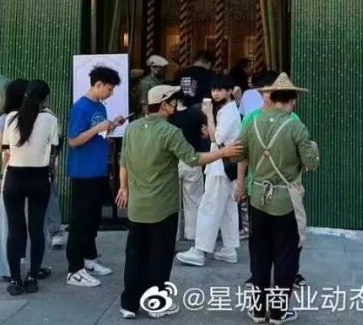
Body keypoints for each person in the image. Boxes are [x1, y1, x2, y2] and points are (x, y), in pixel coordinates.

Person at [115, 85, 243, 320]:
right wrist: (223, 153)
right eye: (173, 101)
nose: (176, 105)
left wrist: (124, 187)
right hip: (163, 206)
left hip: (137, 207)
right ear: (163, 105)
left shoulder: (132, 129)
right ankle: (156, 304)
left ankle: (129, 304)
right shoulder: (169, 132)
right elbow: (193, 158)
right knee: (159, 257)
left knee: (135, 255)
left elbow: (123, 162)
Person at [238, 73, 319, 324]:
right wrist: (313, 147)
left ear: (271, 97)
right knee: (286, 256)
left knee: (259, 255)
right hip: (285, 201)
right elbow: (311, 163)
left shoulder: (252, 122)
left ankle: (258, 309)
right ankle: (278, 311)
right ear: (293, 100)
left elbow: (239, 153)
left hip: (257, 197)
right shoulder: (295, 126)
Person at [65, 66, 124, 288]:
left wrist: (111, 127)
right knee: (81, 221)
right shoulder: (81, 107)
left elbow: (98, 134)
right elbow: (73, 140)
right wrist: (97, 128)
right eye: (109, 88)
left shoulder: (100, 106)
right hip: (83, 171)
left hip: (98, 169)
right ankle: (74, 269)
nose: (111, 93)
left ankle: (89, 259)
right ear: (98, 84)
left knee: (93, 219)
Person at [0, 77, 54, 281]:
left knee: (12, 228)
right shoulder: (47, 118)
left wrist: (3, 173)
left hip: (13, 176)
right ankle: (35, 272)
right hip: (38, 176)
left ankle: (12, 273)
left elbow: (1, 150)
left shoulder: (8, 118)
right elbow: (52, 150)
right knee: (37, 228)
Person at [177, 75, 242, 267]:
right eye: (214, 90)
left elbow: (216, 139)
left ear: (229, 92)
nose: (216, 93)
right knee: (227, 208)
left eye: (220, 90)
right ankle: (229, 248)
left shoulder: (227, 112)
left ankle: (200, 250)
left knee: (209, 207)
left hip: (220, 167)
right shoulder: (228, 110)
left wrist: (209, 116)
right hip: (224, 166)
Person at [169, 97, 209, 242]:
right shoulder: (197, 114)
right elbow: (205, 135)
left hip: (172, 162)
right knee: (194, 201)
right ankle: (194, 236)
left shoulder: (167, 116)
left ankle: (172, 236)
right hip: (192, 161)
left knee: (172, 203)